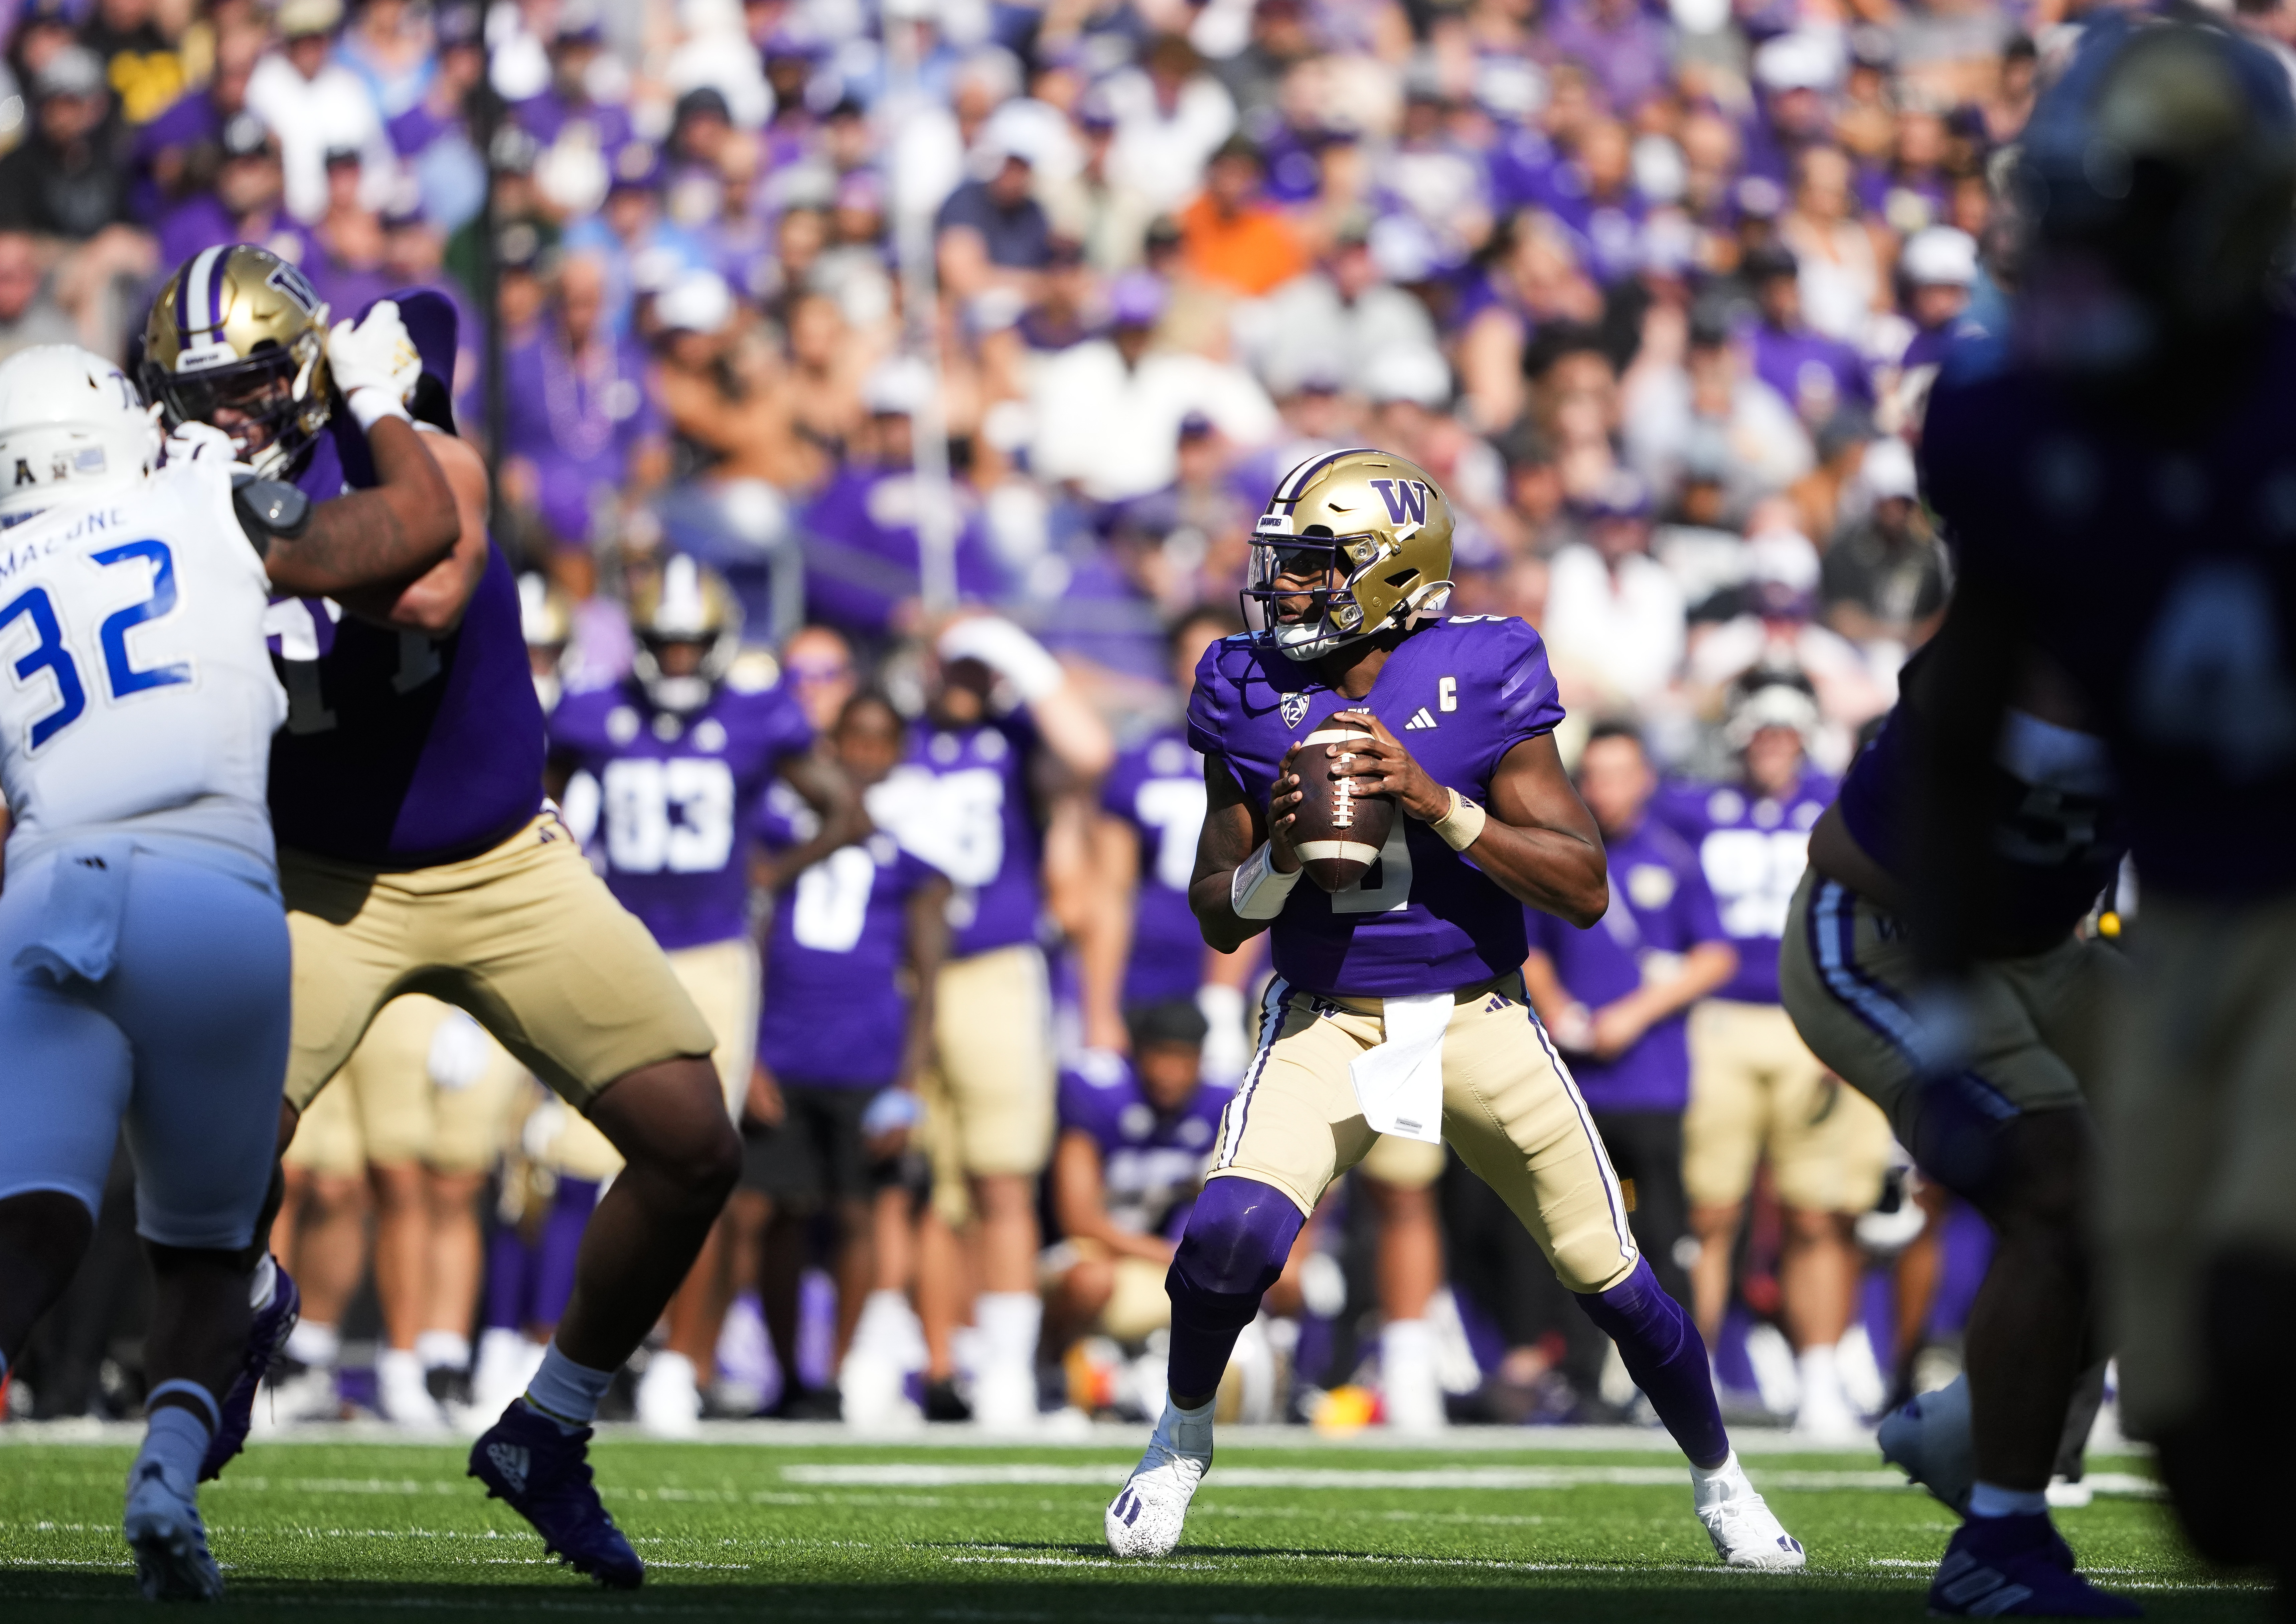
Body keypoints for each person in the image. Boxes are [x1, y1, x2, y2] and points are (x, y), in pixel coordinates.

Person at [141, 243, 739, 1589]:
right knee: (208, 1180)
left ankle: (549, 1428)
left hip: (497, 862)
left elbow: (429, 578)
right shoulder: (160, 488)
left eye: (241, 386)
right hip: (311, 881)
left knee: (692, 1144)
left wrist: (369, 413)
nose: (218, 421)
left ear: (302, 367)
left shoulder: (384, 408)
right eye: (192, 397)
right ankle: (208, 1387)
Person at [1104, 448, 1801, 1569]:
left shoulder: (1482, 670)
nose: (1283, 589)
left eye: (1313, 567)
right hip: (1326, 1012)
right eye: (1280, 566)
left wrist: (1439, 805)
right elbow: (1218, 915)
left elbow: (1581, 883)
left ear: (1388, 573)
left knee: (1612, 1276)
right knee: (1230, 1235)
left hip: (1477, 1014)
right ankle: (1181, 1436)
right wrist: (1281, 856)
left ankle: (1722, 1483)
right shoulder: (1239, 683)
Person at [1903, 16, 2296, 1611]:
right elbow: (1945, 728)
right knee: (2210, 1477)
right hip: (2187, 932)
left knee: (2267, 1321)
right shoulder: (2008, 426)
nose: (2078, 244)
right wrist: (1938, 1027)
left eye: (2119, 206)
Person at [0, 340, 449, 1598]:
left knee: (28, 1222)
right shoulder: (197, 489)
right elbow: (412, 529)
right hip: (209, 883)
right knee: (209, 1252)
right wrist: (370, 397)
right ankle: (168, 1467)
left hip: (51, 894)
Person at [1783, 649, 2131, 1612]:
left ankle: (1973, 1431)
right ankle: (1998, 1539)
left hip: (2045, 951)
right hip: (1884, 938)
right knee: (2057, 1185)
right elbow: (1844, 851)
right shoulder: (2006, 661)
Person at [546, 557, 850, 1435]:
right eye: (664, 645)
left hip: (716, 953)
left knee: (699, 1161)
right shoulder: (595, 710)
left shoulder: (758, 716)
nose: (678, 662)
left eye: (692, 645)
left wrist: (771, 873)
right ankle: (555, 1348)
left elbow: (845, 809)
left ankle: (685, 1358)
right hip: (619, 941)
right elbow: (536, 796)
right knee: (579, 1156)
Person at [867, 615, 1113, 1426]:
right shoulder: (894, 734)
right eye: (957, 667)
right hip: (900, 973)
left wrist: (1007, 646)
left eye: (983, 670)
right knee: (924, 1186)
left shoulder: (1012, 738)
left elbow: (1089, 753)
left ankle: (1004, 1366)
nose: (968, 682)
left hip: (994, 968)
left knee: (1001, 1177)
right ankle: (942, 1367)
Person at [1658, 681, 1890, 1438]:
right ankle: (1690, 1374)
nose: (1770, 747)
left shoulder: (1840, 802)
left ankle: (1819, 1374)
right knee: (1708, 1212)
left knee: (1817, 1212)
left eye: (1783, 735)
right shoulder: (1695, 807)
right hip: (1720, 1020)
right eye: (1758, 734)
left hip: (1810, 1016)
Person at [749, 691, 950, 1425]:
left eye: (880, 741)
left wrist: (908, 1084)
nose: (865, 754)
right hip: (781, 1047)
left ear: (897, 751)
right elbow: (752, 929)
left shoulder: (917, 842)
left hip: (866, 1057)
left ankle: (833, 1376)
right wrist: (747, 1055)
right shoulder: (781, 827)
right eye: (852, 740)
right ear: (831, 747)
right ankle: (784, 1376)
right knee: (769, 1215)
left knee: (860, 1217)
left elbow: (928, 979)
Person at [1522, 724, 1737, 1326]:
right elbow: (1529, 946)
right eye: (1594, 776)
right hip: (1578, 1081)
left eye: (1619, 776)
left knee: (1663, 1229)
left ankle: (1675, 1365)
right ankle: (1584, 1373)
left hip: (1653, 1080)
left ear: (1645, 780)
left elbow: (1715, 956)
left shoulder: (1674, 855)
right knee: (1583, 1232)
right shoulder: (1560, 853)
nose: (1606, 790)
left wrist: (1632, 1015)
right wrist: (1559, 1007)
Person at [1043, 1002, 1230, 1374]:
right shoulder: (1102, 1097)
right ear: (1139, 1054)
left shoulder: (1219, 1107)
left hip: (1153, 1259)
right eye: (1160, 1056)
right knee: (1091, 1281)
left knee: (1264, 1275)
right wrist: (1169, 1256)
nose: (1169, 1073)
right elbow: (1080, 1220)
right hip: (1084, 1253)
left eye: (1183, 1058)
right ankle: (1051, 1372)